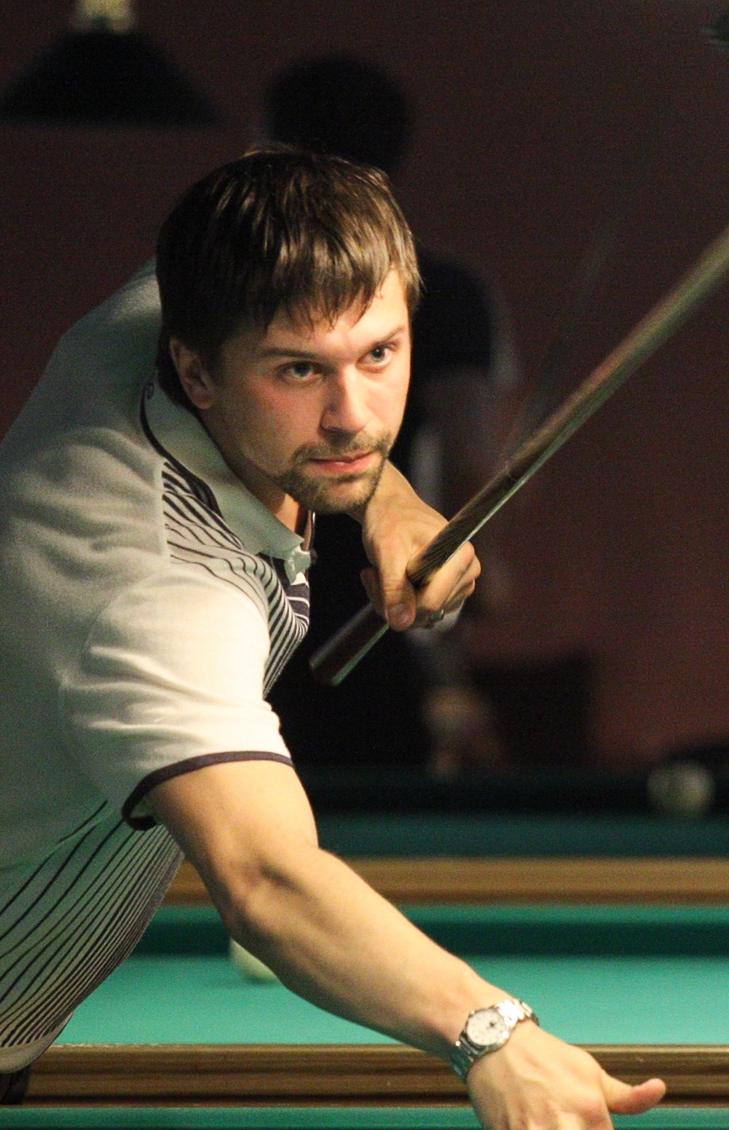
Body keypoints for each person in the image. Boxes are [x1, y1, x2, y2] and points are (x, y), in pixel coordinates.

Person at [0, 149, 663, 1130]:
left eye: (380, 353)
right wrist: (491, 1033)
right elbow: (265, 880)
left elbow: (286, 234)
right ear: (195, 369)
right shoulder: (150, 589)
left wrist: (389, 501)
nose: (352, 414)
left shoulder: (193, 293)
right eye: (297, 372)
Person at [260, 55, 512, 771]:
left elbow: (462, 467)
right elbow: (468, 459)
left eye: (378, 353)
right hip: (273, 600)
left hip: (365, 601)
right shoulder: (447, 290)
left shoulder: (440, 292)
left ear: (268, 150)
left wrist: (443, 547)